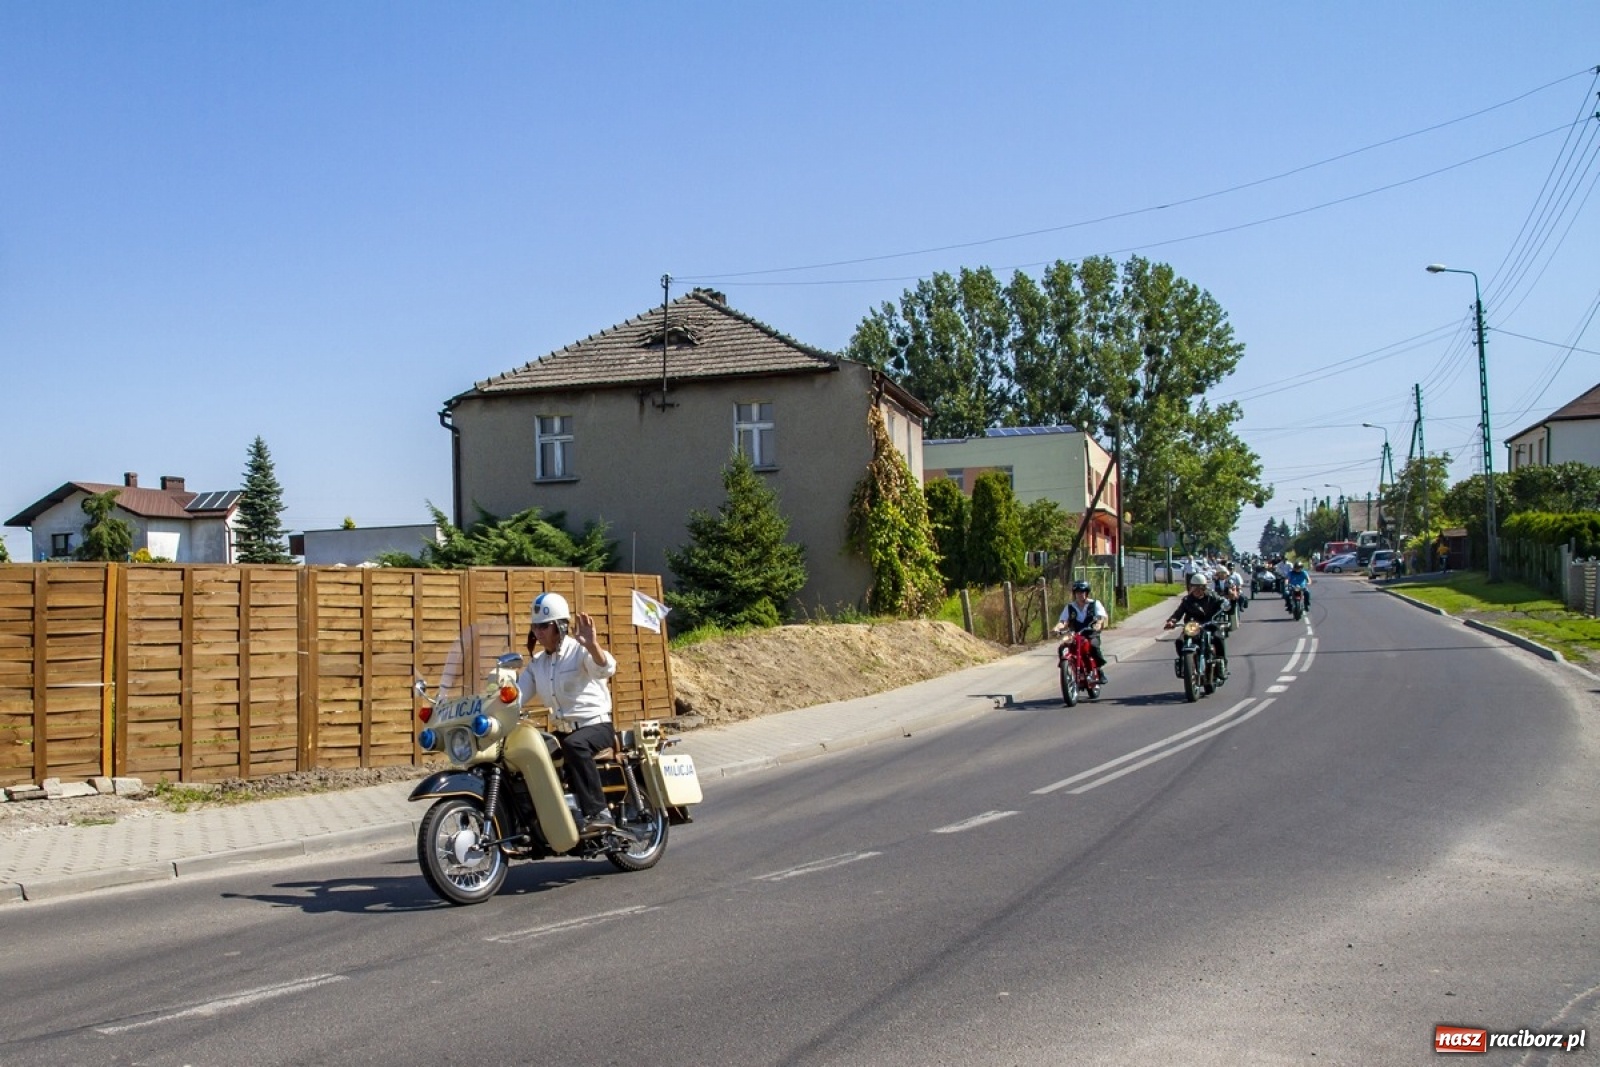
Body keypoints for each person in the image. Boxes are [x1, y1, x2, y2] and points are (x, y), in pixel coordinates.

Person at [516, 591, 619, 836]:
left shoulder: (579, 651)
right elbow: (519, 694)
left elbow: (606, 669)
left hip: (596, 726)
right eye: (535, 627)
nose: (539, 633)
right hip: (563, 732)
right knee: (533, 753)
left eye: (544, 626)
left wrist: (593, 645)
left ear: (561, 626)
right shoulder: (538, 663)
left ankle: (598, 812)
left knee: (575, 744)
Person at [1163, 572, 1230, 670]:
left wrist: (1225, 604)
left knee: (1218, 638)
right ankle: (1184, 663)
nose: (1197, 591)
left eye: (1201, 588)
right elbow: (1179, 612)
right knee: (1180, 641)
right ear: (1191, 587)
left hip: (1209, 624)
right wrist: (1172, 621)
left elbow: (1222, 602)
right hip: (1192, 626)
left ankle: (1222, 662)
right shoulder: (1187, 600)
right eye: (1194, 588)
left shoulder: (1212, 596)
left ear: (1205, 587)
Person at [1055, 579, 1109, 684]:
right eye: (1078, 592)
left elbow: (1102, 617)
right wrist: (1057, 628)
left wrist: (1098, 624)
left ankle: (1099, 670)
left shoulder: (1094, 604)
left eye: (1083, 591)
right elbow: (1063, 621)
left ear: (1087, 593)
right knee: (1063, 646)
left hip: (1090, 634)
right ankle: (1066, 666)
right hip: (1075, 635)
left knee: (1093, 646)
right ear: (1075, 593)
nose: (1081, 594)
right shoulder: (1070, 607)